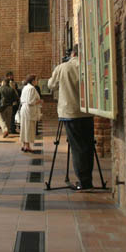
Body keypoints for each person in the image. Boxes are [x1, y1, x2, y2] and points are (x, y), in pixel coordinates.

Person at [48, 44, 95, 190]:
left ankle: (84, 181)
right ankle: (88, 179)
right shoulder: (89, 66)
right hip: (87, 112)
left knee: (77, 148)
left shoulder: (63, 67)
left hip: (70, 113)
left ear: (72, 53)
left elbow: (51, 85)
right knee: (88, 146)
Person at [19, 74, 41, 152]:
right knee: (28, 128)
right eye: (36, 80)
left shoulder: (25, 87)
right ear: (33, 81)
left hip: (24, 109)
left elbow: (22, 99)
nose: (37, 81)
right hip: (29, 111)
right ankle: (27, 146)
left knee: (24, 127)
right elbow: (30, 102)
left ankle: (24, 144)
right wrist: (39, 101)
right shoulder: (31, 88)